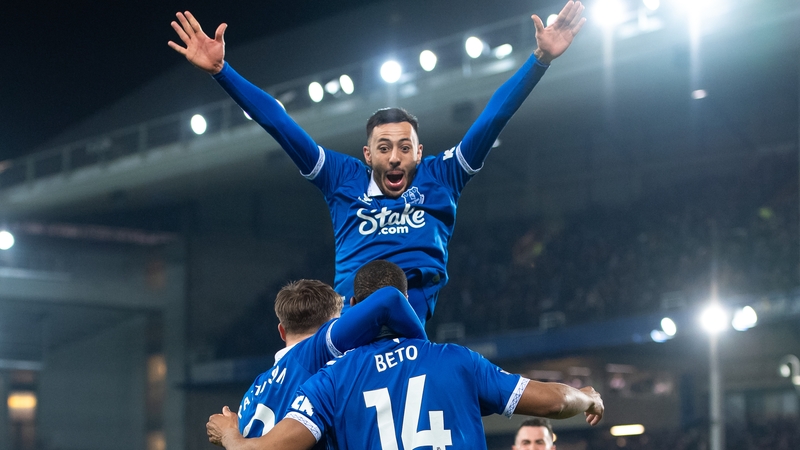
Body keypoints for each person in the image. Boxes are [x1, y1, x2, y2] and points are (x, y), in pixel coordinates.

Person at [169, 1, 587, 324]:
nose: (395, 157)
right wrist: (222, 72)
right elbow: (279, 121)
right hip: (349, 328)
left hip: (411, 330)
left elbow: (494, 117)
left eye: (405, 147)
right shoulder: (340, 178)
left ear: (419, 153)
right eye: (384, 147)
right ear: (367, 154)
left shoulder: (444, 176)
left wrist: (540, 61)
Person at [206, 260, 604, 450]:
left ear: (354, 308)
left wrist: (230, 435)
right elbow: (554, 402)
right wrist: (588, 395)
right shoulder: (456, 360)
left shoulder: (328, 380)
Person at [235, 278, 425, 446]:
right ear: (333, 324)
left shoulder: (250, 395)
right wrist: (425, 353)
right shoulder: (314, 352)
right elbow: (389, 299)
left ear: (281, 331)